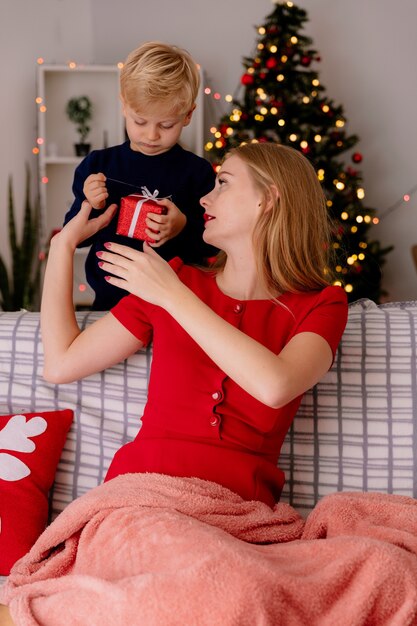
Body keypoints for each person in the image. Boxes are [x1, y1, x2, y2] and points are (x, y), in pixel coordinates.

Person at [0, 142, 348, 625]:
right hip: (140, 502)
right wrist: (63, 245)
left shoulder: (322, 304)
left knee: (256, 587)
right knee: (221, 592)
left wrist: (171, 295)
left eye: (223, 183)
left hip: (240, 521)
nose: (204, 198)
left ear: (268, 199)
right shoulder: (173, 279)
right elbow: (60, 363)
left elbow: (276, 384)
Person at [64, 41, 218, 310]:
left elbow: (211, 247)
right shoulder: (98, 165)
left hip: (176, 309)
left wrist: (182, 226)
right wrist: (90, 205)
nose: (151, 135)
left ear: (188, 115)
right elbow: (76, 239)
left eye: (166, 125)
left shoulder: (198, 173)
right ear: (124, 106)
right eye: (140, 121)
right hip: (109, 304)